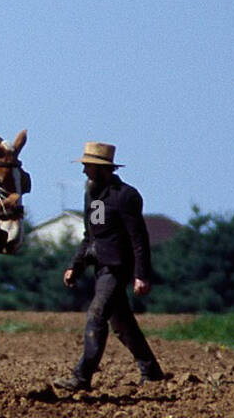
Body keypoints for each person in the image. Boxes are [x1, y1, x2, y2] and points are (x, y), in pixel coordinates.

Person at [53, 142, 165, 392]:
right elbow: (90, 235)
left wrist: (141, 275)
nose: (83, 171)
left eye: (87, 166)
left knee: (96, 315)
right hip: (100, 267)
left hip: (117, 268)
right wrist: (76, 265)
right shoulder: (93, 194)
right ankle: (152, 372)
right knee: (122, 323)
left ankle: (82, 376)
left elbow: (139, 238)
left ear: (102, 168)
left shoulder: (126, 196)